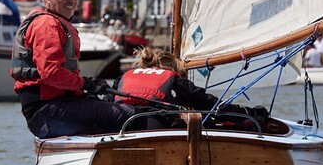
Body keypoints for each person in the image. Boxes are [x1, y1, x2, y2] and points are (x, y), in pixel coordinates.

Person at [11, 0, 135, 138]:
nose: (72, 1)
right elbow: (51, 73)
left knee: (115, 105)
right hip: (46, 112)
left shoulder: (54, 22)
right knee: (132, 116)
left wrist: (88, 88)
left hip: (56, 107)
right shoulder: (47, 24)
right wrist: (85, 85)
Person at [112, 47, 269, 126]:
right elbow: (214, 106)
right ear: (173, 69)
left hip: (120, 129)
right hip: (153, 130)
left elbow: (109, 102)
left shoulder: (123, 78)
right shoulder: (174, 81)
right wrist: (251, 114)